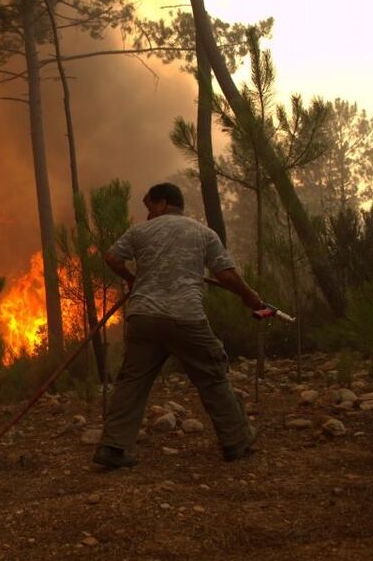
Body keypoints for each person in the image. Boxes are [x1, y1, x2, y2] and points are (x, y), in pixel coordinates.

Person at [93, 182, 265, 470]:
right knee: (212, 375)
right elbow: (225, 274)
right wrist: (249, 296)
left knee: (132, 382)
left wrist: (131, 278)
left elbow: (111, 257)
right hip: (186, 317)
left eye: (150, 207)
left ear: (163, 203)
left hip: (143, 318)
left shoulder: (139, 232)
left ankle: (113, 447)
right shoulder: (202, 233)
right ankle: (237, 442)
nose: (148, 214)